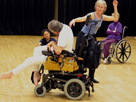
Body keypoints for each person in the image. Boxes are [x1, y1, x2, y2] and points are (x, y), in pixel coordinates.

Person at [0, 20, 74, 86]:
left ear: (55, 32)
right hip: (61, 51)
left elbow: (58, 51)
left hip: (61, 57)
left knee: (29, 60)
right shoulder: (65, 27)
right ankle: (36, 73)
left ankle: (10, 74)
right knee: (37, 49)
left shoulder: (63, 35)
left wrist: (52, 43)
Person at [69, 0, 119, 83]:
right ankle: (77, 75)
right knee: (79, 55)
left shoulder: (103, 17)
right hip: (83, 36)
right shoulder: (92, 15)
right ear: (96, 7)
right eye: (98, 6)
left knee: (93, 56)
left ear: (104, 8)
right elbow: (83, 18)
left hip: (91, 37)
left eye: (101, 7)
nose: (99, 8)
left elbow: (115, 18)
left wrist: (115, 6)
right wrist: (74, 20)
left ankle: (91, 77)